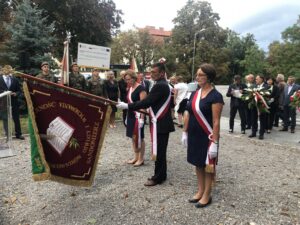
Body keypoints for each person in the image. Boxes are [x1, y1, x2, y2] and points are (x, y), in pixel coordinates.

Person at [117, 62, 175, 186]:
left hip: (161, 123)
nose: (151, 74)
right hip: (161, 122)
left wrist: (128, 105)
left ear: (162, 73)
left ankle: (158, 177)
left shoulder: (160, 85)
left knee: (159, 151)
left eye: (154, 72)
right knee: (160, 151)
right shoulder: (161, 84)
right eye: (151, 71)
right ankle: (161, 175)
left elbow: (146, 102)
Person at [181, 63, 224, 208]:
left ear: (209, 77)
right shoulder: (194, 94)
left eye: (201, 75)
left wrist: (215, 143)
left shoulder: (215, 96)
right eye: (197, 74)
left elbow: (216, 121)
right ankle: (200, 190)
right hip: (193, 134)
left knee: (207, 166)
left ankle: (207, 194)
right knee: (197, 163)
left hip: (207, 136)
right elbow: (188, 112)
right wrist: (184, 132)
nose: (197, 77)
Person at [124, 69, 147, 166]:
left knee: (139, 137)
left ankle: (141, 159)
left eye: (129, 79)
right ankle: (136, 157)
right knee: (133, 137)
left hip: (138, 116)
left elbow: (144, 104)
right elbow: (129, 103)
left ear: (134, 78)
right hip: (131, 115)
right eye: (126, 80)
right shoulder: (130, 88)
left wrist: (142, 118)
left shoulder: (141, 88)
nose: (127, 81)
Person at [0, 65, 24, 140]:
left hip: (14, 102)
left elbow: (19, 91)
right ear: (3, 70)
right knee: (5, 118)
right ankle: (8, 135)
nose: (8, 71)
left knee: (16, 118)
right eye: (6, 69)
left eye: (9, 69)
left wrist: (15, 94)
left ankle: (19, 134)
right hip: (3, 102)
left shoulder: (15, 79)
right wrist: (5, 92)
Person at [248, 75, 268, 140]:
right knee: (253, 119)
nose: (255, 80)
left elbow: (268, 95)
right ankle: (253, 132)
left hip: (262, 105)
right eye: (255, 79)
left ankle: (261, 134)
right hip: (254, 105)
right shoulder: (253, 86)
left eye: (257, 79)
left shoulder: (266, 86)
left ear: (261, 79)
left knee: (262, 120)